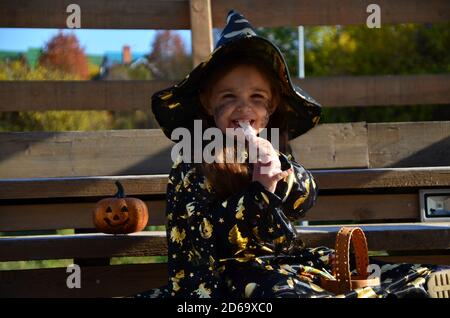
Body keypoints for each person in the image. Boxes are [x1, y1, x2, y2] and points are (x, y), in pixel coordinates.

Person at [135, 10, 449, 298]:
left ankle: (416, 285)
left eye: (257, 98)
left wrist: (280, 172)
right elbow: (207, 238)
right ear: (207, 103)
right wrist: (259, 192)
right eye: (228, 97)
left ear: (270, 108)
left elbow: (304, 199)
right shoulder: (193, 159)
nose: (244, 107)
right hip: (221, 277)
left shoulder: (273, 147)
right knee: (285, 291)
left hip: (285, 263)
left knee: (359, 271)